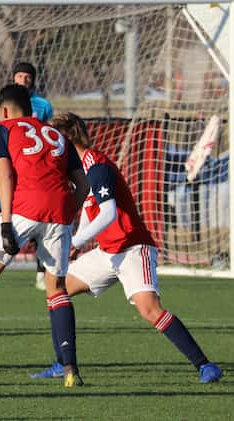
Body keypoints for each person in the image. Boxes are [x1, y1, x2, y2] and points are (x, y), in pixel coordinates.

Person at [28, 112, 223, 383]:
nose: (51, 146)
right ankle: (63, 363)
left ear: (68, 138)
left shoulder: (97, 166)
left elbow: (108, 213)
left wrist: (76, 241)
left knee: (150, 309)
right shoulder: (78, 170)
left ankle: (205, 365)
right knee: (56, 288)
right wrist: (77, 243)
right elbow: (89, 208)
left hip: (132, 247)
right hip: (107, 252)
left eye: (55, 139)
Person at [0, 85, 89, 388]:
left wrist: (5, 223)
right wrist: (71, 212)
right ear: (31, 108)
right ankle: (70, 369)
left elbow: (5, 175)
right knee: (56, 289)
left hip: (22, 208)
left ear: (3, 110)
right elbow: (82, 183)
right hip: (58, 212)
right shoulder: (56, 135)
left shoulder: (0, 130)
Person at [0, 62, 53, 291]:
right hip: (3, 167)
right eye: (19, 75)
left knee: (39, 222)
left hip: (30, 172)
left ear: (33, 80)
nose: (23, 80)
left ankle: (42, 272)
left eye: (28, 76)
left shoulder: (43, 105)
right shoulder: (0, 102)